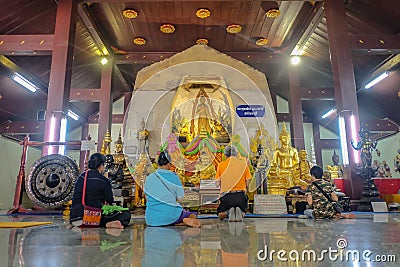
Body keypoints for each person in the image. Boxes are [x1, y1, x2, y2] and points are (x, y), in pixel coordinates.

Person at [70, 153, 131, 229]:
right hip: (93, 216)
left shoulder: (82, 176)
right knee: (125, 213)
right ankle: (106, 224)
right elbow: (110, 200)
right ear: (101, 166)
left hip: (76, 216)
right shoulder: (103, 180)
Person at [144, 151, 200, 227]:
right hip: (170, 215)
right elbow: (181, 198)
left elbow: (146, 198)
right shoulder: (174, 177)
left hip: (151, 219)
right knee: (192, 214)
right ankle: (183, 221)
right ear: (169, 164)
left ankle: (180, 222)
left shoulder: (149, 178)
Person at [215, 145, 252, 222]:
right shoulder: (244, 164)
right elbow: (248, 184)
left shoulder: (221, 165)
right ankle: (241, 212)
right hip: (240, 196)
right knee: (244, 209)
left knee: (220, 214)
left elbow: (217, 184)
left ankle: (228, 212)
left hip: (226, 197)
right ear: (237, 154)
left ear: (225, 155)